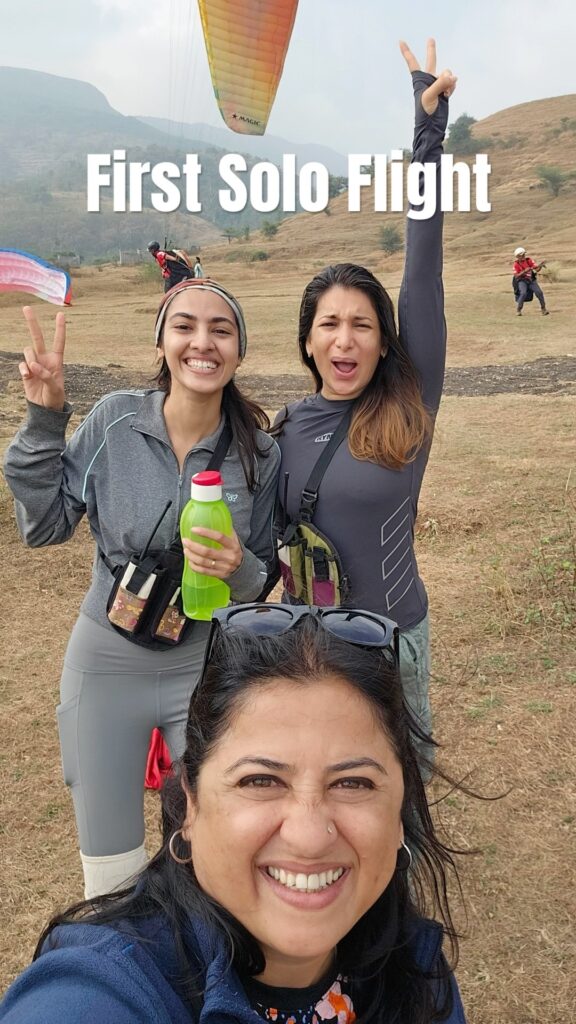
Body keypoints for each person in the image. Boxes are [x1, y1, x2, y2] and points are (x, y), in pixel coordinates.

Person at [0, 604, 467, 1024]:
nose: (309, 836)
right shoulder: (102, 991)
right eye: (260, 781)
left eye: (353, 783)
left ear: (400, 808)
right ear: (191, 803)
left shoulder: (418, 969)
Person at [3, 279, 280, 898]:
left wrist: (237, 566)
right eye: (184, 326)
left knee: (214, 847)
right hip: (105, 662)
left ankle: (203, 949)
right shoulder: (115, 422)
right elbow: (45, 526)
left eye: (221, 330)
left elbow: (261, 583)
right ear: (160, 342)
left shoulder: (258, 453)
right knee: (111, 868)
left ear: (239, 350)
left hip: (206, 666)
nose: (202, 342)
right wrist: (44, 420)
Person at [274, 41, 457, 756]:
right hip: (309, 650)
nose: (345, 340)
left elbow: (424, 272)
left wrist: (427, 134)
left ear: (384, 341)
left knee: (403, 792)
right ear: (308, 340)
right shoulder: (282, 428)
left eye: (362, 325)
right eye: (330, 324)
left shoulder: (409, 403)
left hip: (394, 642)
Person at [512, 246, 549, 316]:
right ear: (517, 256)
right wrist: (524, 271)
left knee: (539, 293)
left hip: (531, 280)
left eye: (524, 254)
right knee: (523, 293)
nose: (523, 256)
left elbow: (536, 269)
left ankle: (543, 309)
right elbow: (516, 276)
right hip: (522, 281)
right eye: (521, 255)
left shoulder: (529, 260)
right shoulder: (516, 265)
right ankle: (519, 310)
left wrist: (540, 265)